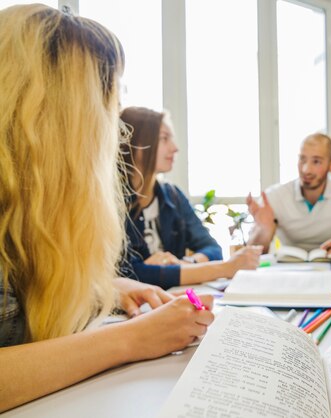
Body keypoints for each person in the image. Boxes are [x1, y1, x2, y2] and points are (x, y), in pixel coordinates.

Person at [0, 5, 213, 412]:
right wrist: (131, 339)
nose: (116, 123)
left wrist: (105, 288)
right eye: (108, 102)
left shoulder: (36, 206)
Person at [119, 107, 261, 289]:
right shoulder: (113, 203)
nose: (175, 148)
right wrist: (225, 268)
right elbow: (131, 274)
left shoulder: (172, 195)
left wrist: (186, 263)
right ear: (136, 143)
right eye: (164, 138)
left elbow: (212, 249)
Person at [246, 133, 331, 261]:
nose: (306, 170)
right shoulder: (274, 196)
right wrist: (263, 229)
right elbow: (252, 254)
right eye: (302, 159)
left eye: (316, 162)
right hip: (289, 269)